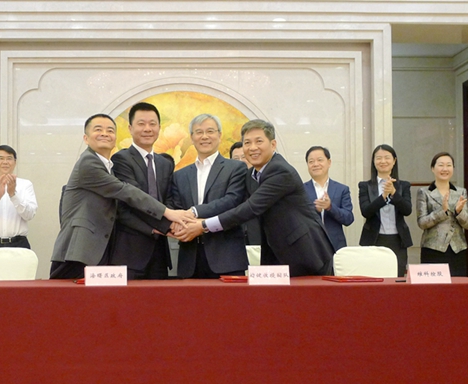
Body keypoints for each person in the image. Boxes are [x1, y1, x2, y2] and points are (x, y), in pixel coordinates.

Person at [174, 119, 334, 276]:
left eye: (259, 141)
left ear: (273, 144)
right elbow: (235, 203)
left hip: (306, 252)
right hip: (277, 252)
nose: (252, 148)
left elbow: (249, 208)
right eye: (247, 143)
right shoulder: (252, 174)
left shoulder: (280, 171)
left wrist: (203, 225)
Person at [50, 114, 188, 279]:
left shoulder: (108, 166)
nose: (105, 133)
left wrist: (161, 227)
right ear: (86, 138)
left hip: (96, 250)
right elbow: (126, 191)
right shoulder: (89, 163)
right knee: (69, 295)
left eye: (110, 130)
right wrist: (168, 213)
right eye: (98, 129)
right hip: (79, 250)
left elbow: (118, 210)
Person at [169, 114, 249, 278]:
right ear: (192, 137)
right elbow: (177, 209)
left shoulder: (236, 168)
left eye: (210, 131)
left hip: (226, 258)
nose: (204, 136)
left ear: (219, 135)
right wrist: (183, 224)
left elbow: (232, 201)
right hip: (190, 259)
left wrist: (195, 213)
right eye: (199, 132)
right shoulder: (179, 175)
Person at [109, 102, 175, 279]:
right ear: (130, 128)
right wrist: (163, 226)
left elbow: (169, 199)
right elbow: (130, 203)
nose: (147, 129)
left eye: (152, 124)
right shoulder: (121, 159)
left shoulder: (165, 163)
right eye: (141, 123)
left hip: (160, 253)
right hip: (130, 252)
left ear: (159, 128)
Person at [358, 144, 413, 277]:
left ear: (394, 161)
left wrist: (393, 193)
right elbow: (366, 212)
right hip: (374, 239)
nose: (383, 161)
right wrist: (383, 197)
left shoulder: (404, 185)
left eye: (387, 157)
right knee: (374, 278)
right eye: (378, 158)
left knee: (397, 277)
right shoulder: (365, 186)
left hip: (398, 240)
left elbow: (407, 210)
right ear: (374, 161)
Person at [416, 152, 468, 276]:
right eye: (441, 165)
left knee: (457, 286)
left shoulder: (461, 192)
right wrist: (443, 211)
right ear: (433, 168)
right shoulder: (424, 192)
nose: (445, 169)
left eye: (449, 165)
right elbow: (422, 223)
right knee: (434, 286)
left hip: (457, 249)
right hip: (433, 249)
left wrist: (459, 212)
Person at [303, 145, 354, 253]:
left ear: (329, 162)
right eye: (311, 161)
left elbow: (348, 219)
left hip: (336, 246)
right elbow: (297, 218)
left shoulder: (342, 189)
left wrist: (330, 207)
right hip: (309, 246)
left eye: (320, 160)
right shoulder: (300, 190)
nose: (315, 164)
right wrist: (315, 210)